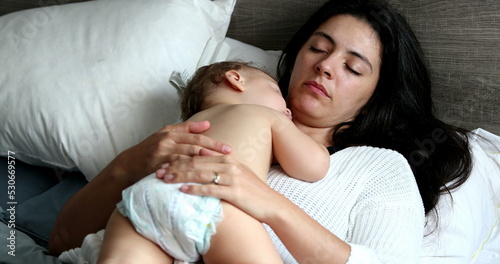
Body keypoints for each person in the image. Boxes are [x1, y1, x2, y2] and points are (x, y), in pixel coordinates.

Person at [50, 0, 473, 263]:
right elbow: (60, 241)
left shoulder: (378, 168)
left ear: (375, 96)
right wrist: (128, 165)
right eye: (318, 48)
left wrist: (266, 203)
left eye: (352, 67)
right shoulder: (200, 127)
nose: (325, 65)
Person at [96, 61, 329, 264]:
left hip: (148, 194)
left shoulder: (184, 127)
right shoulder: (265, 114)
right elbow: (313, 167)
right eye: (277, 92)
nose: (287, 109)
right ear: (236, 79)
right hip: (218, 200)